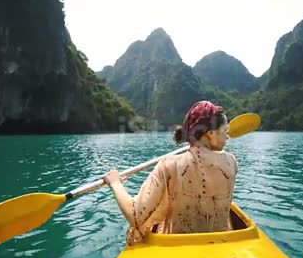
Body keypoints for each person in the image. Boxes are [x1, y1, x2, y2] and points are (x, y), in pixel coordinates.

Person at [102, 100, 238, 245]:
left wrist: (115, 183)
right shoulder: (231, 163)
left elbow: (135, 216)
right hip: (220, 248)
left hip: (178, 248)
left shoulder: (168, 165)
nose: (227, 137)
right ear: (210, 133)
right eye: (225, 131)